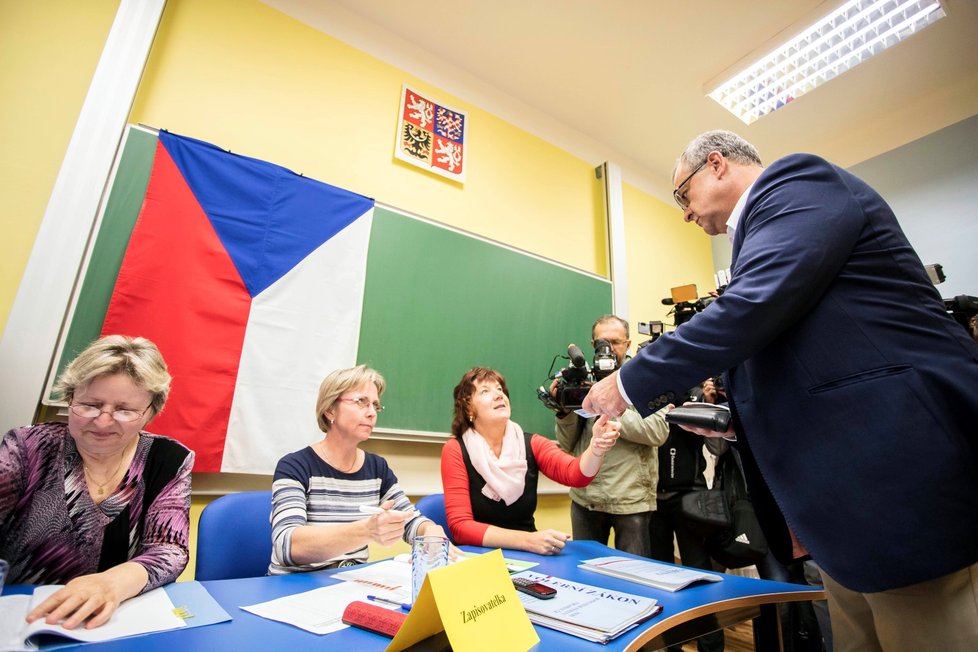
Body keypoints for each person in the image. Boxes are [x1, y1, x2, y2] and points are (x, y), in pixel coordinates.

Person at [583, 129, 978, 650]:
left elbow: (751, 309)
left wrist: (630, 381)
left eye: (683, 194)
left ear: (718, 165)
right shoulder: (759, 237)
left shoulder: (796, 183)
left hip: (893, 473)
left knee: (925, 628)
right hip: (844, 503)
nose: (685, 213)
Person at [0, 335, 193, 630]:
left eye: (124, 411)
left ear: (150, 412)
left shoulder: (169, 460)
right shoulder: (27, 447)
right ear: (70, 399)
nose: (103, 422)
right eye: (89, 405)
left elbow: (169, 549)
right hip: (22, 616)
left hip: (112, 622)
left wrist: (110, 585)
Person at [269, 365, 448, 574]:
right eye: (361, 402)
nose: (372, 413)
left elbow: (409, 519)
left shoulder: (376, 467)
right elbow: (287, 545)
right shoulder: (295, 466)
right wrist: (367, 530)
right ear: (329, 410)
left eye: (375, 405)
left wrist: (430, 531)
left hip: (351, 582)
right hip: (295, 588)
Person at [441, 367, 619, 554]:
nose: (498, 395)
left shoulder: (531, 444)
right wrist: (527, 540)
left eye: (500, 389)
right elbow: (461, 527)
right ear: (468, 407)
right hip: (478, 556)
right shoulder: (456, 450)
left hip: (528, 555)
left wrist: (597, 447)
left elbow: (576, 475)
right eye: (485, 391)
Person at [553, 315, 668, 557]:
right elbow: (567, 444)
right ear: (592, 344)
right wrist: (565, 413)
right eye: (601, 342)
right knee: (585, 575)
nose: (608, 349)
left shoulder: (647, 377)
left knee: (635, 579)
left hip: (630, 499)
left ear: (627, 344)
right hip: (586, 497)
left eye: (615, 342)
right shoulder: (583, 377)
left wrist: (611, 406)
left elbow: (658, 431)